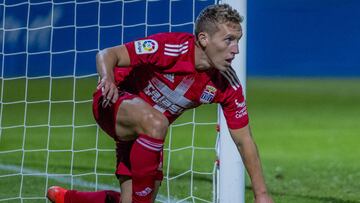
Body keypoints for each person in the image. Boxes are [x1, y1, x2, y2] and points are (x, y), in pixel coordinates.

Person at [47, 3, 273, 203]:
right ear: (204, 39)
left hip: (148, 137)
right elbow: (108, 54)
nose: (236, 50)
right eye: (229, 40)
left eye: (238, 40)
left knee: (135, 198)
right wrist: (107, 78)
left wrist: (261, 194)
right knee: (156, 122)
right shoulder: (171, 48)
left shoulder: (227, 84)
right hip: (114, 104)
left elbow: (244, 140)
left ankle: (68, 198)